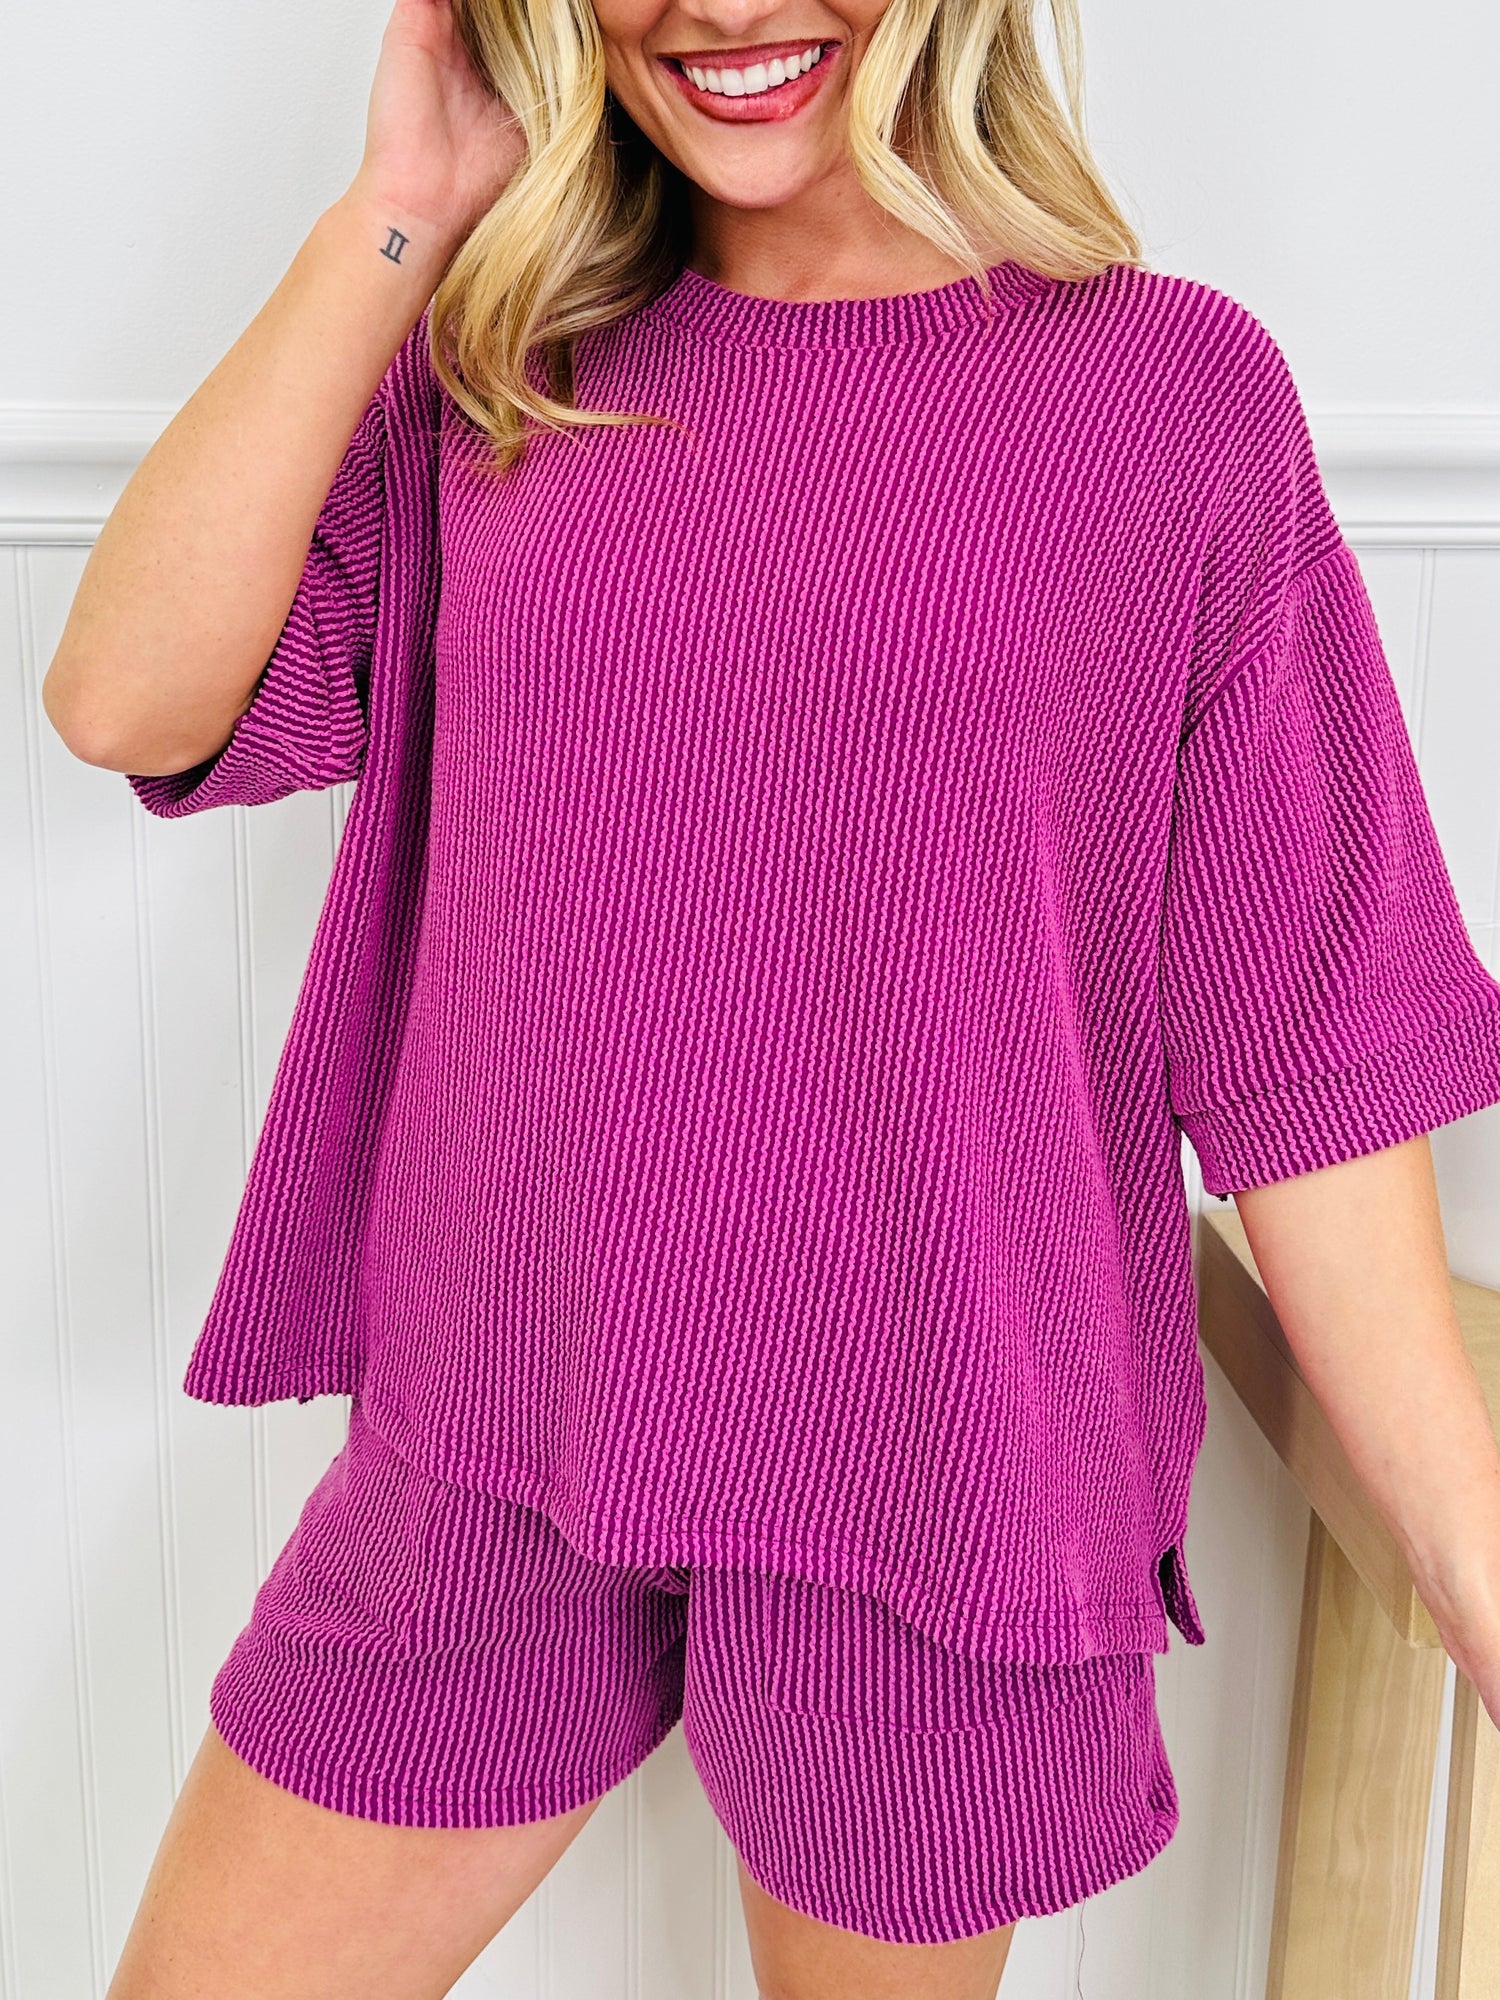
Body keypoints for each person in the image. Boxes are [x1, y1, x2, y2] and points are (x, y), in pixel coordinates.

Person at [44, 0, 1500, 1992]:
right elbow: (127, 699)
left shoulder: (1171, 402)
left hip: (934, 1459)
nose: (726, 11)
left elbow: (1308, 1052)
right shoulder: (501, 373)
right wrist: (403, 199)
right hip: (505, 1424)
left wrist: (1476, 1579)